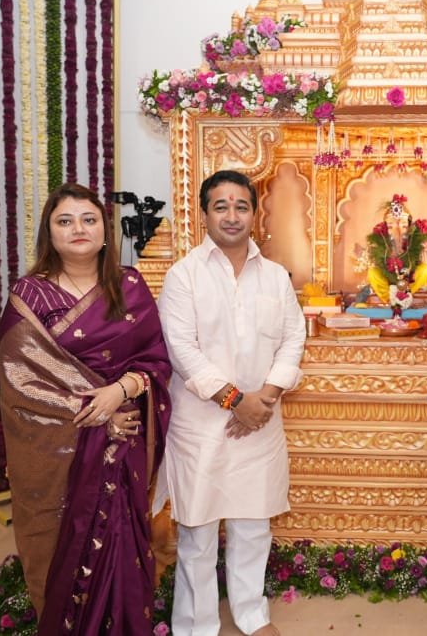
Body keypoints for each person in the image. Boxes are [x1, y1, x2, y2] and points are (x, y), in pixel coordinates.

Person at [0, 183, 172, 634]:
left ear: (104, 230)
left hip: (124, 441)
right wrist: (96, 410)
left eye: (89, 219)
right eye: (65, 221)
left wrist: (121, 390)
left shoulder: (129, 285)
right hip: (62, 451)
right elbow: (20, 383)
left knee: (122, 540)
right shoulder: (30, 295)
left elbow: (155, 360)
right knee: (64, 546)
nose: (78, 228)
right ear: (50, 233)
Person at [157, 169, 306, 636]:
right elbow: (182, 350)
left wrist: (263, 399)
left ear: (254, 214)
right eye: (220, 206)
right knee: (198, 531)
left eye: (241, 206)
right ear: (204, 214)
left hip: (261, 420)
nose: (232, 215)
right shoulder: (183, 276)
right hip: (201, 425)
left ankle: (252, 615)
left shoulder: (275, 276)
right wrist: (235, 400)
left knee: (253, 525)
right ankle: (196, 625)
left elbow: (293, 339)